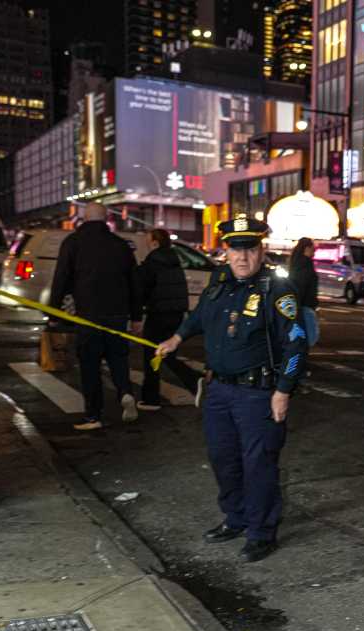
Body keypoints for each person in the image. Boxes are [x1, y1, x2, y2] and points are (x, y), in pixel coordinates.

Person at [155, 215, 307, 562]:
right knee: (223, 459)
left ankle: (261, 531)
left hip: (258, 394)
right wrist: (177, 338)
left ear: (261, 250)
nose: (242, 256)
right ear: (226, 251)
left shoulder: (276, 289)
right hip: (219, 391)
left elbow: (297, 344)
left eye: (249, 248)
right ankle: (236, 518)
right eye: (235, 249)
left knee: (258, 465)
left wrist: (283, 390)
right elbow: (199, 316)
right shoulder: (219, 280)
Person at [49, 202, 141, 430]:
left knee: (90, 365)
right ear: (106, 218)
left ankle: (94, 415)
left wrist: (53, 311)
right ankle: (125, 392)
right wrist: (137, 316)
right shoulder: (121, 245)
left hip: (88, 314)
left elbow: (61, 277)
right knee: (118, 358)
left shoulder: (73, 242)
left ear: (84, 217)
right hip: (117, 313)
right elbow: (134, 283)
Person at [134, 229, 201, 411]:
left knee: (152, 355)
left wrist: (137, 315)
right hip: (175, 313)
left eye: (148, 240)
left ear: (155, 242)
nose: (147, 243)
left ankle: (151, 399)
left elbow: (141, 290)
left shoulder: (153, 262)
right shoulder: (173, 260)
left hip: (158, 314)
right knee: (168, 354)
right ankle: (194, 381)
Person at [288, 237, 320, 345]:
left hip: (301, 305)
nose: (314, 251)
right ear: (307, 248)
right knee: (310, 338)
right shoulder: (305, 264)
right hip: (305, 305)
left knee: (304, 338)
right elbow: (301, 285)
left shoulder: (298, 262)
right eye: (313, 248)